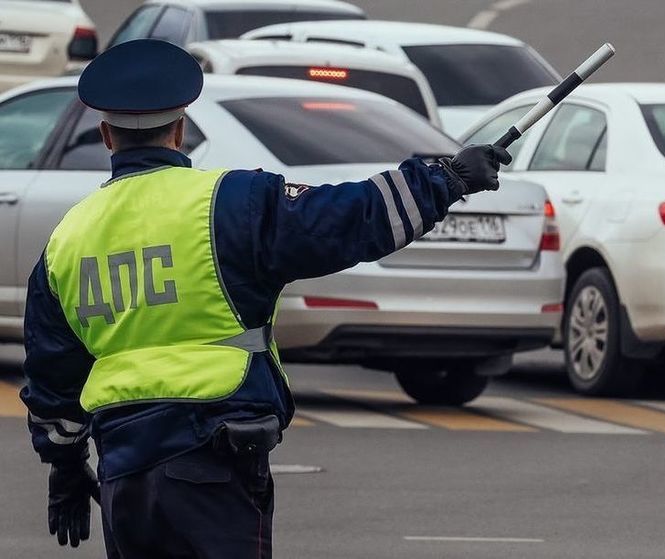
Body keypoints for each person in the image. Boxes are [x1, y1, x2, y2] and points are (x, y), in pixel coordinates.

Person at [20, 39, 511, 558]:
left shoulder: (67, 240)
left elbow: (53, 375)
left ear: (105, 135)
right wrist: (447, 179)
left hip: (124, 476)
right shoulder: (231, 202)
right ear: (181, 128)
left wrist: (65, 466)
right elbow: (349, 217)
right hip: (212, 455)